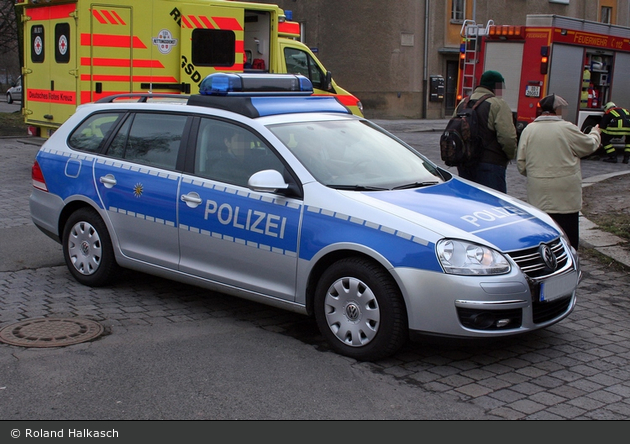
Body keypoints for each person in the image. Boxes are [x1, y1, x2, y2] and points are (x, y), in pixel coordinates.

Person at [516, 94, 601, 249]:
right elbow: (589, 145)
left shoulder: (529, 130)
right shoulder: (567, 128)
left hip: (538, 192)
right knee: (567, 235)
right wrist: (595, 133)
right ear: (558, 111)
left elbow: (521, 164)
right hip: (566, 194)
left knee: (541, 233)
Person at [453, 70, 517, 193]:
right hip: (491, 165)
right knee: (492, 204)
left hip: (465, 163)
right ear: (496, 87)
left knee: (469, 203)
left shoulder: (463, 103)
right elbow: (507, 137)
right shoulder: (497, 105)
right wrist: (509, 156)